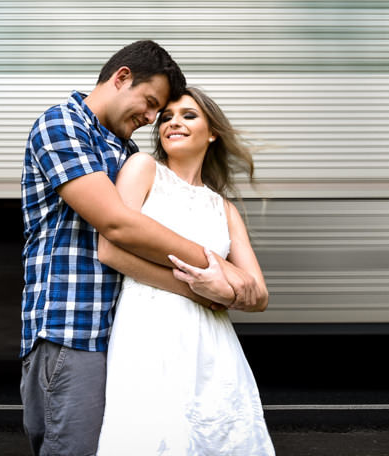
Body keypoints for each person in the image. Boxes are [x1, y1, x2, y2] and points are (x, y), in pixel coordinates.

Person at [20, 42, 262, 456]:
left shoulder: (124, 149)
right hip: (71, 327)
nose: (152, 119)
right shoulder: (62, 125)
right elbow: (116, 226)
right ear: (122, 77)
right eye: (153, 106)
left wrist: (228, 286)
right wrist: (216, 270)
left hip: (118, 331)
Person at [95, 86, 275, 455]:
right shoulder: (143, 169)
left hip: (213, 341)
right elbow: (110, 251)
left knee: (218, 434)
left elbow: (259, 295)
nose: (173, 122)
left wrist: (226, 293)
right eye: (166, 117)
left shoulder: (223, 208)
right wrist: (198, 291)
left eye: (188, 115)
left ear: (212, 133)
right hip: (148, 327)